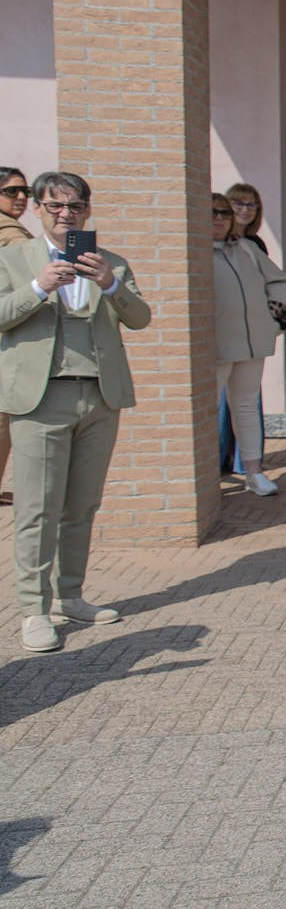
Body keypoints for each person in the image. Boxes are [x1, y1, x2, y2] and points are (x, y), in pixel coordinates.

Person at [0, 171, 150, 654]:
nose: (67, 214)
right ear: (39, 209)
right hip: (41, 396)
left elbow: (141, 317)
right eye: (55, 205)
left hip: (100, 397)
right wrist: (39, 286)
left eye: (76, 206)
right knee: (36, 509)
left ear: (87, 211)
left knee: (81, 505)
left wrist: (110, 285)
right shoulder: (13, 258)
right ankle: (33, 610)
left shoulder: (111, 263)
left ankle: (70, 595)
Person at [212, 192, 286, 497]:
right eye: (212, 213)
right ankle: (209, 476)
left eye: (223, 213)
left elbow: (279, 282)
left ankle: (254, 473)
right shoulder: (195, 250)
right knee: (208, 410)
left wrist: (272, 320)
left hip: (251, 344)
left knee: (245, 406)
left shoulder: (246, 249)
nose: (219, 218)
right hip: (216, 345)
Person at [220, 181, 271, 474]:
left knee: (246, 398)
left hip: (250, 328)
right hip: (223, 328)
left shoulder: (256, 245)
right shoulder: (214, 243)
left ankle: (247, 463)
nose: (245, 210)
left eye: (251, 205)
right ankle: (216, 459)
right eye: (238, 204)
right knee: (220, 401)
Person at [0, 166, 35, 509]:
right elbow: (32, 273)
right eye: (12, 192)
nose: (22, 198)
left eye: (26, 191)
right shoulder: (11, 232)